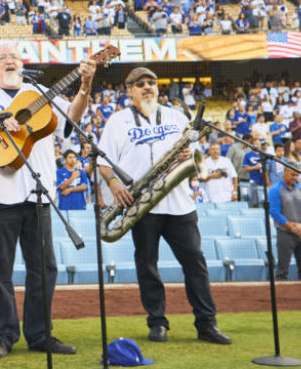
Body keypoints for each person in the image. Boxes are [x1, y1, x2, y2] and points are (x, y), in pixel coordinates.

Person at [0, 44, 95, 358]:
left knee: (44, 268)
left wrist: (84, 84)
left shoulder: (39, 91)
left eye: (14, 57)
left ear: (22, 64)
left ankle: (41, 334)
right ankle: (2, 336)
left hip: (38, 192)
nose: (9, 61)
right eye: (1, 57)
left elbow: (71, 120)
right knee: (0, 271)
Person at [97, 67, 231, 345]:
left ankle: (207, 323)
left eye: (152, 83)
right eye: (140, 83)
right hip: (143, 206)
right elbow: (103, 162)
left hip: (179, 202)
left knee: (195, 262)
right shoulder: (117, 121)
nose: (148, 87)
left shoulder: (176, 115)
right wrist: (113, 184)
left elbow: (195, 157)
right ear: (129, 90)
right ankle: (157, 322)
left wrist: (188, 155)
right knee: (147, 265)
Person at [268, 167, 301, 280]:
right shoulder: (275, 189)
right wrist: (292, 227)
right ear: (285, 172)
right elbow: (274, 212)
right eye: (292, 174)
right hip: (285, 233)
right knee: (283, 268)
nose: (295, 178)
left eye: (297, 175)